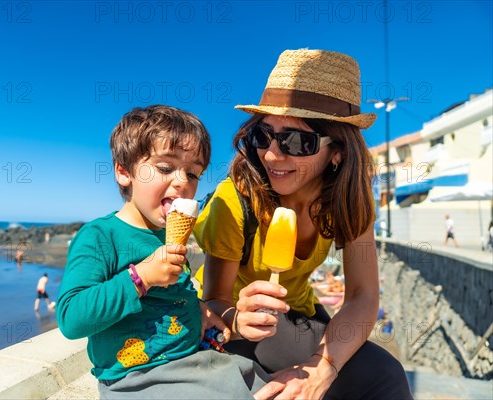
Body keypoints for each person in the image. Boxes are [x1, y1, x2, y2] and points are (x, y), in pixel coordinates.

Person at [194, 49, 412, 399]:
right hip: (238, 324)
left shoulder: (346, 201)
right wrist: (238, 315)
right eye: (263, 136)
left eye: (297, 141)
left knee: (385, 374)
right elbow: (215, 300)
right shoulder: (236, 200)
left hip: (300, 317)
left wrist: (321, 367)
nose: (273, 155)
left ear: (337, 151)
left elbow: (362, 295)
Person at [56, 105, 270, 399]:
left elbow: (176, 291)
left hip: (194, 362)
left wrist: (200, 310)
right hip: (138, 378)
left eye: (193, 173)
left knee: (270, 387)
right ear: (123, 172)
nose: (183, 182)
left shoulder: (170, 235)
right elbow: (71, 317)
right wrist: (140, 278)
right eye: (166, 168)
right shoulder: (100, 236)